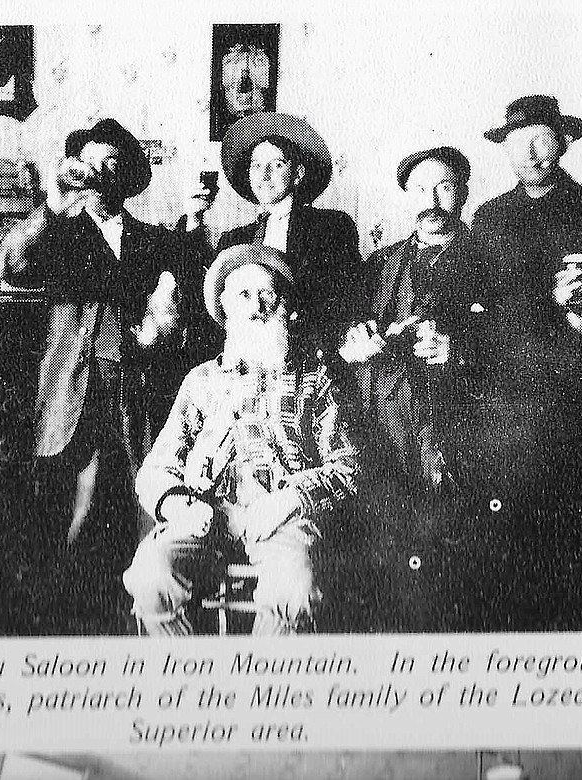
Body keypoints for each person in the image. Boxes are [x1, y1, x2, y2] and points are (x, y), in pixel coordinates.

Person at [122, 244, 359, 635]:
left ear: (284, 307)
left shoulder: (314, 380)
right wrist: (179, 506)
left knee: (295, 590)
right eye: (244, 296)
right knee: (151, 577)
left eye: (269, 295)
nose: (257, 307)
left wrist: (287, 500)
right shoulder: (201, 382)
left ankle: (261, 683)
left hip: (281, 518)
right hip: (205, 516)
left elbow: (348, 466)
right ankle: (190, 681)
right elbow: (157, 467)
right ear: (225, 311)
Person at [0, 118, 191, 574]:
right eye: (89, 162)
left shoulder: (157, 240)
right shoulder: (57, 231)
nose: (98, 172)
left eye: (110, 163)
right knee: (78, 517)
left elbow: (177, 315)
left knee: (148, 511)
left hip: (139, 393)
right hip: (77, 395)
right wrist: (53, 206)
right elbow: (10, 266)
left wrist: (161, 322)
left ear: (127, 179)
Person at [466, 95, 582, 631]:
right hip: (508, 397)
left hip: (581, 394)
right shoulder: (489, 218)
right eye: (520, 142)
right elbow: (480, 306)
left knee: (578, 529)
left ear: (563, 143)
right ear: (505, 150)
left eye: (544, 139)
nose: (533, 153)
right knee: (513, 529)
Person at [338, 146, 487, 630]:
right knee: (390, 547)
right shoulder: (379, 266)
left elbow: (518, 340)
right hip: (388, 423)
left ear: (463, 192)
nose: (432, 200)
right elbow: (347, 334)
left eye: (444, 186)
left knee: (457, 558)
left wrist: (461, 350)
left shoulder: (491, 261)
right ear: (407, 197)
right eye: (421, 189)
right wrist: (354, 343)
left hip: (461, 426)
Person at [192, 112, 363, 359]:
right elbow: (212, 308)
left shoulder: (331, 227)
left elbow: (350, 299)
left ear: (298, 174)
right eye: (256, 165)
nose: (264, 174)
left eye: (277, 164)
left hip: (311, 358)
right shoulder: (233, 241)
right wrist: (194, 219)